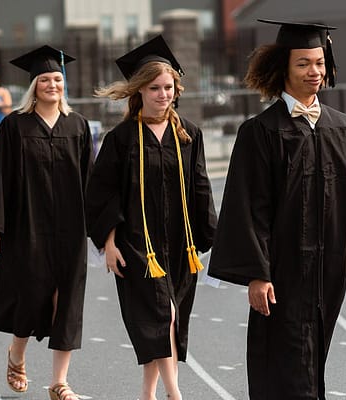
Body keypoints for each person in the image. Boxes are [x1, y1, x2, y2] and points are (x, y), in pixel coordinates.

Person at [207, 20, 346, 399]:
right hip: (283, 270)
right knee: (287, 361)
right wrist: (258, 275)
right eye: (303, 64)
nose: (315, 72)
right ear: (283, 69)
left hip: (329, 268)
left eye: (319, 62)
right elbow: (249, 207)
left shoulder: (341, 127)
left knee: (312, 356)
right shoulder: (260, 132)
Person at [86, 36, 216, 400]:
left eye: (169, 87)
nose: (163, 94)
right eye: (155, 87)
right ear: (138, 91)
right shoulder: (122, 139)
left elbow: (201, 187)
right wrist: (108, 243)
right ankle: (175, 393)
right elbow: (102, 194)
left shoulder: (189, 134)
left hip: (180, 242)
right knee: (163, 317)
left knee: (164, 323)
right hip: (136, 243)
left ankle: (148, 394)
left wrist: (213, 240)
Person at [0, 46, 90, 399]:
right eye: (45, 80)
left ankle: (59, 382)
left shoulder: (78, 125)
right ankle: (17, 353)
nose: (52, 85)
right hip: (28, 228)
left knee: (67, 302)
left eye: (57, 79)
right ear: (33, 86)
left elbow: (91, 182)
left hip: (71, 229)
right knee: (31, 295)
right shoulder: (15, 125)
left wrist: (104, 232)